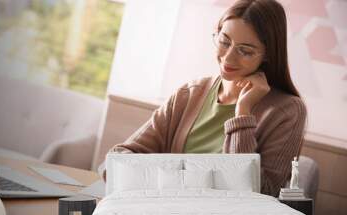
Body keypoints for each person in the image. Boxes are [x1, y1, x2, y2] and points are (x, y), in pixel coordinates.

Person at [99, 0, 307, 197]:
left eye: (245, 51)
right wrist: (170, 182)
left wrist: (242, 112)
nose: (228, 57)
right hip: (166, 213)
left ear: (268, 54)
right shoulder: (190, 93)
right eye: (224, 41)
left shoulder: (287, 111)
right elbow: (118, 159)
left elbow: (259, 194)